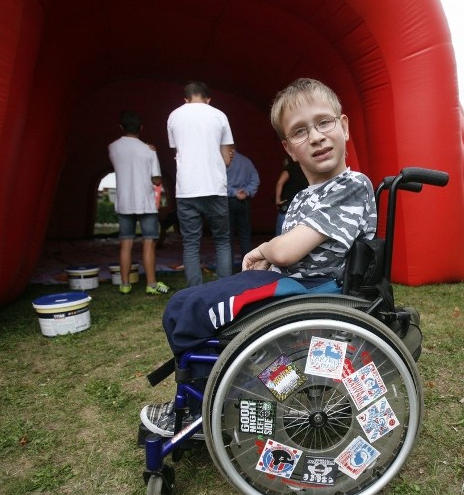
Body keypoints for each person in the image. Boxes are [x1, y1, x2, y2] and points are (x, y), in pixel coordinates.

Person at [141, 78, 378, 437]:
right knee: (186, 305)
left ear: (343, 126)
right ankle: (206, 393)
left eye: (324, 122)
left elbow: (286, 248)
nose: (315, 136)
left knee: (190, 309)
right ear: (290, 149)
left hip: (315, 290)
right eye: (300, 131)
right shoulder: (304, 196)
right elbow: (294, 250)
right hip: (292, 280)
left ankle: (202, 406)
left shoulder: (351, 185)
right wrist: (272, 260)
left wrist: (263, 251)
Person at [167, 81, 234, 286]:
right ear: (208, 99)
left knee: (190, 244)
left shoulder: (174, 116)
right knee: (222, 240)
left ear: (185, 99)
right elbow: (227, 156)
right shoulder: (219, 115)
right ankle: (224, 288)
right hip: (215, 186)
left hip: (187, 189)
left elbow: (176, 149)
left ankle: (194, 291)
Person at [107, 110, 170, 295]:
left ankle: (125, 284)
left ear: (121, 127)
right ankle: (151, 284)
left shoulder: (112, 147)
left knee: (126, 243)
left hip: (124, 202)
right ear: (141, 128)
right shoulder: (149, 150)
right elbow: (157, 180)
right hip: (145, 202)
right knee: (149, 243)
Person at [226, 147, 260, 261]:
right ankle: (248, 268)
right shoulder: (246, 161)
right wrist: (247, 191)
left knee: (226, 238)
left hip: (227, 201)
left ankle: (228, 271)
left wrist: (234, 192)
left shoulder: (223, 162)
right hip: (243, 202)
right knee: (245, 236)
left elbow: (218, 182)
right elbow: (255, 179)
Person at [274, 157, 309, 235]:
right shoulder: (307, 171)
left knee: (281, 234)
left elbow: (280, 182)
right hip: (303, 203)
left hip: (288, 204)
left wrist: (277, 200)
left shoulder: (289, 169)